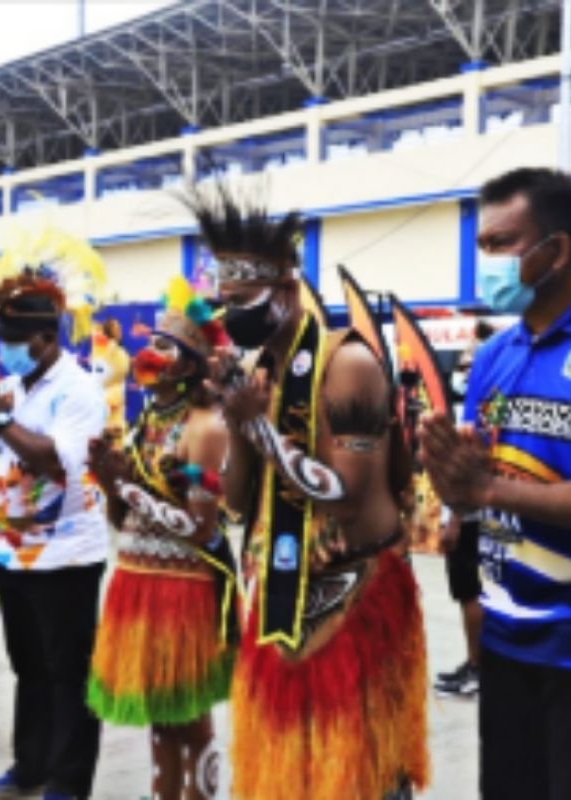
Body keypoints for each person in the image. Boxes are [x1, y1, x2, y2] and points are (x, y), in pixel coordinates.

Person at [418, 168, 571, 800]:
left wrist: (487, 493)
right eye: (483, 248)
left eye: (502, 245)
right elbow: (478, 482)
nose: (489, 263)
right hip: (508, 642)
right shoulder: (497, 358)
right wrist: (449, 485)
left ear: (555, 251)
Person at [189, 188, 429, 800]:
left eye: (242, 302)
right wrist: (240, 420)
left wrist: (261, 426)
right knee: (289, 772)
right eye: (224, 303)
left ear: (289, 294)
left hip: (352, 596)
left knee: (357, 774)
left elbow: (346, 495)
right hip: (278, 593)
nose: (229, 314)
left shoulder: (348, 364)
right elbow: (240, 501)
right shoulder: (259, 372)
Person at [0, 244, 108, 800]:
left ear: (46, 338)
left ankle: (68, 783)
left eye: (15, 342)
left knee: (69, 675)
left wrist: (1, 417)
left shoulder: (78, 389)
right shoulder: (8, 387)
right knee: (28, 668)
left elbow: (53, 459)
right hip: (12, 555)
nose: (6, 351)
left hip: (67, 558)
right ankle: (29, 767)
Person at [86, 277, 238, 800]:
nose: (148, 353)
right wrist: (111, 486)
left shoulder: (205, 428)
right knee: (159, 714)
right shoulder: (143, 420)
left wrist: (125, 487)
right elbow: (121, 515)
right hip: (135, 579)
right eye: (151, 342)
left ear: (191, 365)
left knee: (190, 717)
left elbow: (201, 528)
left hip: (182, 586)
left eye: (164, 346)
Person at [434, 319, 494, 699]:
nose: (463, 370)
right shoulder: (473, 407)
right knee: (466, 595)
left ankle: (478, 668)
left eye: (470, 363)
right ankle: (474, 663)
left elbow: (468, 475)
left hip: (470, 518)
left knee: (470, 593)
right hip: (469, 515)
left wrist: (453, 519)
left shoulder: (482, 412)